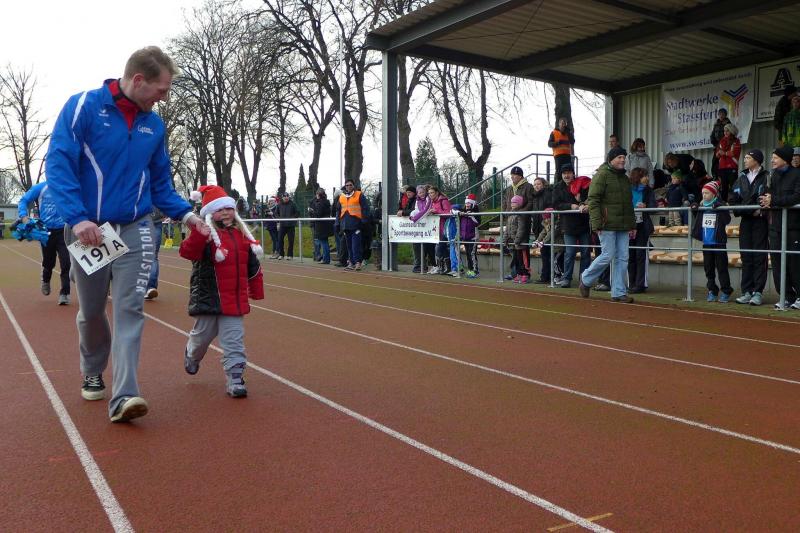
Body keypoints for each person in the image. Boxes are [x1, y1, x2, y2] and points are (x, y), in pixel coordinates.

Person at [45, 46, 209, 422]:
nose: (163, 97)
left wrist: (186, 214)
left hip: (135, 228)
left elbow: (160, 182)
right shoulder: (83, 107)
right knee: (91, 311)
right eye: (161, 90)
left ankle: (125, 395)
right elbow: (58, 164)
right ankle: (93, 368)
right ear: (138, 80)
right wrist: (78, 218)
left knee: (129, 308)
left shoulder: (154, 126)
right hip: (88, 231)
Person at [180, 186, 264, 397]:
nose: (225, 213)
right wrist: (199, 234)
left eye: (229, 208)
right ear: (210, 213)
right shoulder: (205, 236)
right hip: (208, 299)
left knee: (234, 341)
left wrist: (256, 290)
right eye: (220, 209)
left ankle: (235, 378)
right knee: (201, 338)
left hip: (233, 301)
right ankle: (192, 354)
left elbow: (253, 267)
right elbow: (187, 251)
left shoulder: (242, 237)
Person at [579, 146, 636, 302]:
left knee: (623, 258)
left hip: (623, 225)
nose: (623, 160)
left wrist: (632, 225)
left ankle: (618, 292)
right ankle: (586, 279)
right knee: (607, 255)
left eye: (624, 157)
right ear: (611, 159)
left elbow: (629, 204)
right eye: (619, 157)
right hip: (606, 223)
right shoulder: (601, 175)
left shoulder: (625, 178)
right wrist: (597, 223)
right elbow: (593, 200)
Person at [17, 182, 72, 305]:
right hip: (46, 231)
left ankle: (64, 293)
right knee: (49, 262)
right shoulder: (41, 187)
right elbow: (23, 200)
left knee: (66, 262)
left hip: (64, 230)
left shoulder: (67, 184)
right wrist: (23, 216)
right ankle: (46, 279)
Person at [761, 146, 800, 309]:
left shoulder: (797, 174)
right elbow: (770, 194)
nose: (772, 160)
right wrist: (765, 200)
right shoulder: (774, 175)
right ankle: (786, 296)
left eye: (775, 158)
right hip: (776, 227)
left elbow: (796, 197)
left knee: (794, 263)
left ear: (785, 159)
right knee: (777, 263)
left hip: (793, 227)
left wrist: (774, 201)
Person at [730, 150, 770, 306]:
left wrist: (758, 210)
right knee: (746, 256)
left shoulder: (766, 177)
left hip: (760, 222)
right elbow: (733, 200)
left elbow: (766, 198)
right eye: (745, 157)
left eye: (748, 158)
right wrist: (747, 210)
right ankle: (746, 291)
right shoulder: (741, 177)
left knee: (759, 256)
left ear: (756, 160)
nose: (745, 160)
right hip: (746, 221)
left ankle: (757, 292)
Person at [691, 181, 732, 303]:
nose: (704, 195)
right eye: (703, 193)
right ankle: (712, 290)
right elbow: (696, 217)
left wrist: (719, 207)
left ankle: (726, 290)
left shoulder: (720, 205)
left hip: (719, 243)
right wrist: (694, 207)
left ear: (714, 194)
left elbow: (727, 219)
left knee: (722, 268)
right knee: (708, 269)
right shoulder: (702, 206)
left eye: (707, 193)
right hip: (707, 243)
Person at [552, 164, 591, 288]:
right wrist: (571, 206)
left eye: (569, 173)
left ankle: (584, 279)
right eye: (564, 173)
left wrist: (581, 202)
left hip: (584, 224)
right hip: (568, 225)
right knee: (570, 253)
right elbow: (556, 204)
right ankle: (567, 278)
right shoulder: (557, 187)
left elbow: (589, 199)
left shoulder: (582, 183)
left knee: (586, 253)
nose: (566, 175)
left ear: (573, 174)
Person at [628, 167, 656, 294]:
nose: (647, 178)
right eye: (645, 175)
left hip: (643, 226)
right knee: (630, 255)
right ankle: (631, 283)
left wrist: (646, 206)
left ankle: (640, 284)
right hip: (629, 225)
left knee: (641, 255)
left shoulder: (648, 190)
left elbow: (654, 207)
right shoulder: (628, 189)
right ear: (638, 177)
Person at [336, 179, 370, 271]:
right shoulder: (342, 197)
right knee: (349, 245)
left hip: (356, 224)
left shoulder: (359, 194)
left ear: (353, 185)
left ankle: (358, 262)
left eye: (350, 185)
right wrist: (337, 223)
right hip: (345, 224)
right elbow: (338, 211)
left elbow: (365, 208)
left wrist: (364, 220)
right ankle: (351, 262)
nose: (349, 187)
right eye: (347, 185)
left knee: (356, 245)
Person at [409, 184, 436, 273]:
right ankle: (422, 266)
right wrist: (411, 215)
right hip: (421, 228)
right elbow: (416, 210)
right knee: (420, 247)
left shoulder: (428, 199)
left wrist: (415, 218)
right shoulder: (417, 200)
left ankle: (434, 265)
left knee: (430, 248)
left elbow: (426, 210)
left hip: (429, 226)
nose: (421, 194)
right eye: (419, 192)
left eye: (423, 192)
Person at [427, 186, 452, 274]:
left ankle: (442, 267)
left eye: (432, 193)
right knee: (442, 248)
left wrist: (436, 212)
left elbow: (448, 213)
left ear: (437, 193)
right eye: (429, 193)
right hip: (435, 228)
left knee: (439, 247)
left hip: (444, 228)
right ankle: (445, 267)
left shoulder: (443, 201)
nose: (430, 195)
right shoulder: (432, 202)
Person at [507, 194, 531, 283]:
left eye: (515, 202)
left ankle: (526, 274)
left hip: (520, 242)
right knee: (517, 259)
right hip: (514, 242)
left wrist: (517, 239)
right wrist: (505, 238)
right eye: (511, 202)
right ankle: (519, 274)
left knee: (523, 260)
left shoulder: (520, 214)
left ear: (519, 204)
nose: (512, 204)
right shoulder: (510, 215)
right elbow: (508, 228)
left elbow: (521, 228)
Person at [456, 194, 481, 278]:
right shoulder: (462, 212)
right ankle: (470, 269)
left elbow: (477, 223)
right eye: (466, 203)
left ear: (472, 204)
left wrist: (471, 216)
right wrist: (459, 213)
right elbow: (452, 209)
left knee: (472, 254)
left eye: (469, 203)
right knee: (468, 254)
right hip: (465, 237)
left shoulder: (476, 212)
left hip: (473, 237)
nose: (467, 205)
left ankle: (475, 270)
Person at [144, 207, 166, 300]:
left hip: (140, 222)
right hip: (155, 221)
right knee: (152, 256)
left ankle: (149, 287)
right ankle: (150, 287)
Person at [716, 123, 741, 201]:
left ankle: (735, 202)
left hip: (732, 166)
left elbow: (734, 153)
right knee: (724, 187)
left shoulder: (736, 141)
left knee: (733, 185)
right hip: (722, 167)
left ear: (732, 131)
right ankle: (723, 202)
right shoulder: (722, 141)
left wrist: (724, 153)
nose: (725, 132)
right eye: (724, 131)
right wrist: (718, 154)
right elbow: (717, 153)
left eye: (727, 131)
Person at [397, 185, 418, 271]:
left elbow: (414, 211)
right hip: (412, 228)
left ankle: (419, 266)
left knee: (418, 246)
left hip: (418, 227)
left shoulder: (416, 200)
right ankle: (418, 265)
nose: (408, 194)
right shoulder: (409, 200)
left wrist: (403, 212)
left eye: (409, 192)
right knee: (415, 246)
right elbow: (404, 209)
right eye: (407, 192)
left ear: (414, 193)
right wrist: (401, 211)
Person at [309, 188, 333, 264]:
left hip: (321, 225)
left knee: (323, 242)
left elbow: (318, 214)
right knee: (324, 241)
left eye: (317, 194)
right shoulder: (327, 202)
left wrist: (312, 211)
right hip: (326, 224)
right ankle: (325, 258)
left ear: (318, 194)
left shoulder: (320, 203)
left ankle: (326, 259)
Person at [548, 117, 574, 182]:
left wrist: (569, 133)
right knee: (559, 171)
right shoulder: (554, 132)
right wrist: (557, 143)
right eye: (562, 123)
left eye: (565, 123)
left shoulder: (568, 132)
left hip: (567, 155)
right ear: (559, 124)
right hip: (558, 155)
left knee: (569, 170)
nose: (563, 125)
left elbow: (572, 141)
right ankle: (559, 185)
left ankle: (570, 184)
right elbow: (549, 144)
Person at [275, 192, 299, 260]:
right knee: (280, 240)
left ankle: (290, 255)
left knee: (291, 241)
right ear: (282, 197)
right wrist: (279, 219)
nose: (286, 197)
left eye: (287, 196)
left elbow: (297, 212)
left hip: (290, 225)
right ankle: (281, 254)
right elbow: (276, 213)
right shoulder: (279, 204)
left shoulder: (293, 204)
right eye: (284, 196)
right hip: (282, 225)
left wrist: (292, 218)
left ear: (289, 197)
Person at [709, 108, 731, 179]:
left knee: (724, 163)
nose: (721, 115)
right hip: (717, 146)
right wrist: (716, 144)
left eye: (722, 114)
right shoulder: (716, 124)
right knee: (714, 163)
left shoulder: (728, 124)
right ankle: (715, 177)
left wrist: (724, 146)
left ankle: (724, 178)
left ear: (725, 115)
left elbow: (730, 136)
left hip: (725, 147)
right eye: (720, 114)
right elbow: (712, 135)